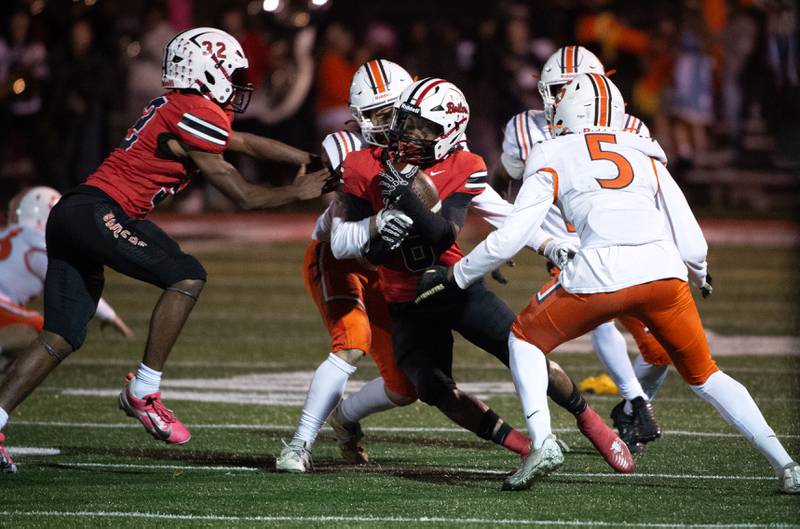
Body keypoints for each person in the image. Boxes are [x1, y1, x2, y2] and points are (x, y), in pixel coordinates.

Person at [415, 72, 799, 494]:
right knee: (707, 376)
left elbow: (511, 236)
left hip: (598, 271)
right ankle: (785, 464)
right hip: (662, 272)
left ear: (570, 111)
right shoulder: (643, 149)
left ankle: (542, 441)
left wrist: (460, 274)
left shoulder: (551, 150)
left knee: (523, 339)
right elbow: (689, 237)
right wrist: (700, 273)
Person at [0, 27, 330, 474]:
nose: (235, 87)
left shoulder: (183, 107)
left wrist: (305, 157)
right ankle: (144, 390)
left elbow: (245, 142)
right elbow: (243, 195)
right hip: (100, 210)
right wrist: (300, 191)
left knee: (60, 336)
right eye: (229, 75)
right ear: (206, 72)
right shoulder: (193, 109)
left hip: (76, 213)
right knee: (187, 273)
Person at [330, 77, 632, 475]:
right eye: (406, 123)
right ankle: (526, 447)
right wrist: (378, 229)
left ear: (449, 133)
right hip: (405, 300)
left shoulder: (462, 165)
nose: (410, 135)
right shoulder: (362, 165)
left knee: (527, 353)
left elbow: (468, 227)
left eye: (424, 128)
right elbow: (348, 244)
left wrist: (547, 244)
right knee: (433, 389)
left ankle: (589, 420)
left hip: (455, 287)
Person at [496, 45, 669, 452]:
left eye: (571, 89)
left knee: (660, 351)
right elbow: (510, 181)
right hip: (570, 247)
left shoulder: (633, 129)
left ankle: (632, 407)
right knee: (602, 319)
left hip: (627, 242)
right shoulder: (525, 128)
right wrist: (511, 238)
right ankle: (635, 401)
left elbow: (655, 195)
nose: (562, 99)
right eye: (556, 89)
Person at [0, 187, 132, 372]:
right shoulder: (39, 243)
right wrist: (110, 315)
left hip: (5, 305)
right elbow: (73, 284)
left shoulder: (9, 234)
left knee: (22, 339)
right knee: (43, 332)